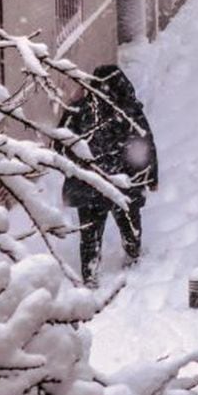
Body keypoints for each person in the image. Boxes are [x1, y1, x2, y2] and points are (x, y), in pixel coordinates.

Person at [59, 65, 158, 286]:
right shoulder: (127, 112)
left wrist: (75, 162)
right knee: (129, 221)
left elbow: (60, 141)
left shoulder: (80, 110)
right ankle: (132, 254)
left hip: (89, 183)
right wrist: (150, 177)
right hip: (121, 183)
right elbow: (145, 145)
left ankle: (90, 275)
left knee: (90, 234)